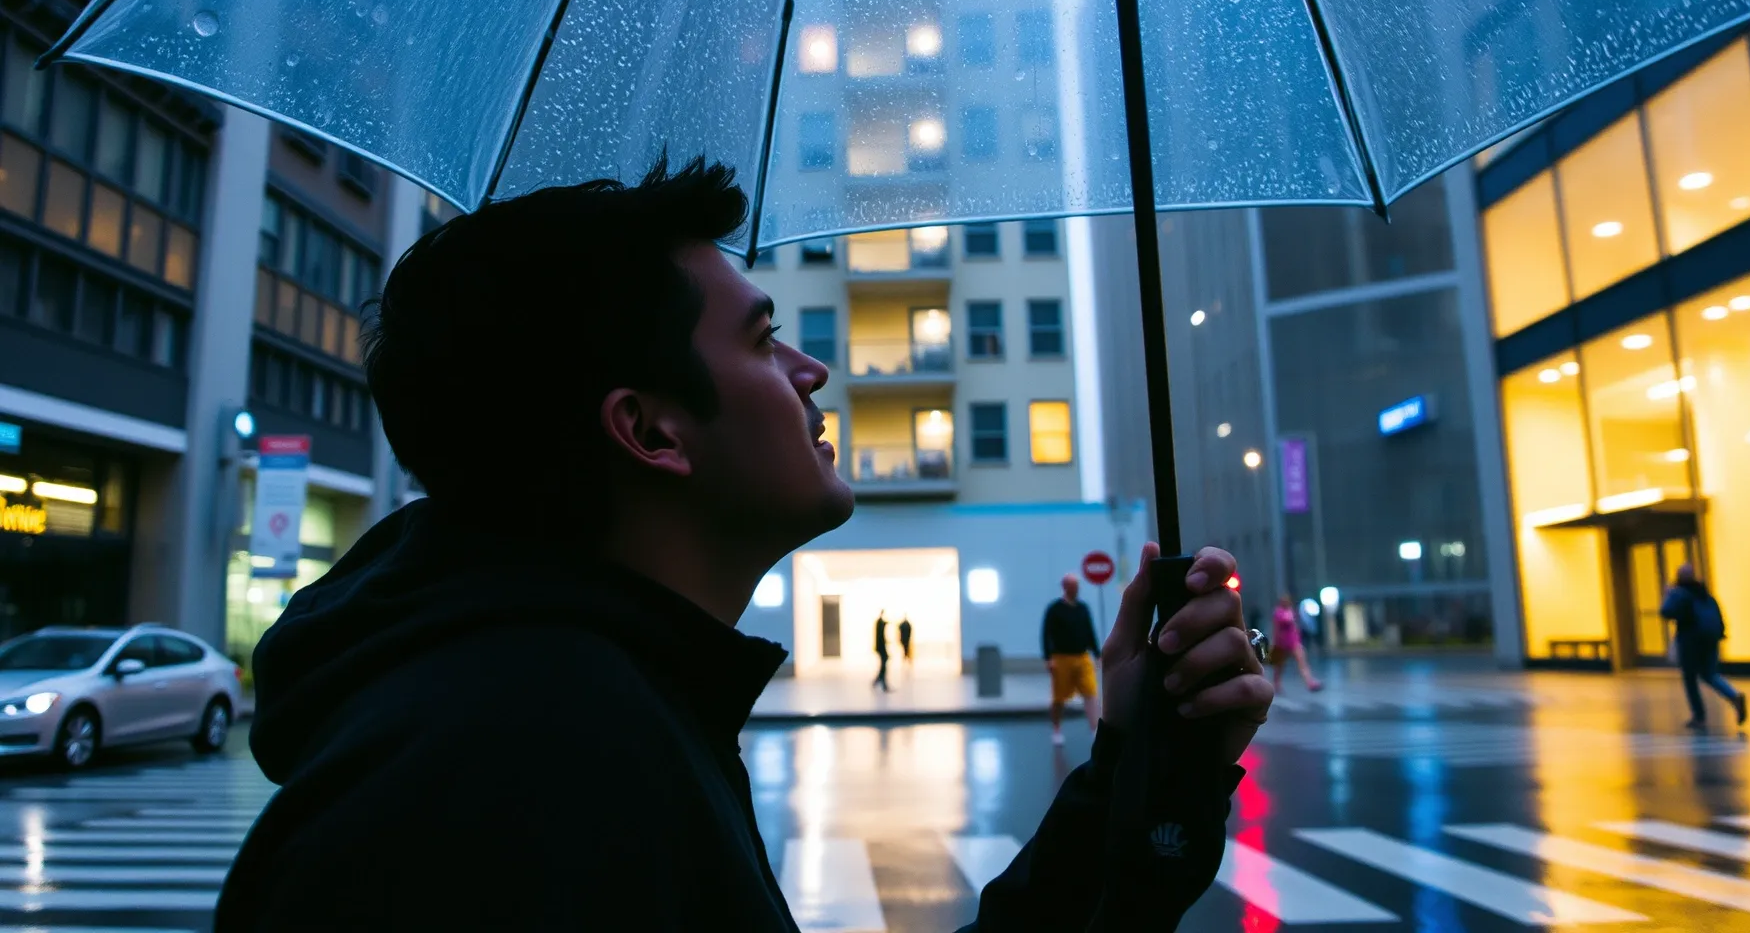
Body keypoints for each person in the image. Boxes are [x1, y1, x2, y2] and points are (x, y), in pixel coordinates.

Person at [213, 157, 1273, 931]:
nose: (813, 372)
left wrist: (1144, 768)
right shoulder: (525, 758)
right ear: (649, 431)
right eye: (764, 339)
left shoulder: (594, 700)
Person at [1660, 563, 1747, 730]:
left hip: (1690, 642)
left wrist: (1668, 594)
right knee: (1710, 674)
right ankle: (1734, 696)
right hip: (1710, 640)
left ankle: (1699, 717)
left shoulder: (1679, 593)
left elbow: (1666, 611)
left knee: (1690, 679)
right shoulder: (1705, 593)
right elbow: (1718, 614)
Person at [1042, 573, 1102, 746]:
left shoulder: (1083, 608)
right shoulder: (1055, 609)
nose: (1076, 589)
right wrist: (1048, 658)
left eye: (1077, 586)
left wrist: (1097, 653)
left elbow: (1090, 631)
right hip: (1061, 657)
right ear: (1065, 587)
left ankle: (1095, 729)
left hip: (1082, 656)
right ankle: (1056, 729)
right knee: (1059, 697)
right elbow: (1046, 634)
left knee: (1090, 692)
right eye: (1073, 586)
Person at [1270, 595, 1322, 693]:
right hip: (1281, 643)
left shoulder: (1290, 611)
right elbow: (1277, 627)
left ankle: (1310, 682)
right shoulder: (1278, 612)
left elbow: (1294, 625)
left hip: (1293, 642)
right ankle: (1276, 684)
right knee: (1279, 666)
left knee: (1302, 662)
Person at [873, 610, 892, 691]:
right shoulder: (879, 623)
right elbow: (880, 637)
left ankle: (878, 680)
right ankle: (882, 682)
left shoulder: (879, 623)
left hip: (881, 648)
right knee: (883, 666)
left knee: (883, 666)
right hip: (881, 648)